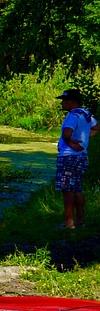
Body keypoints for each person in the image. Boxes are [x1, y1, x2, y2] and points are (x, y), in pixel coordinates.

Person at [56, 88, 98, 229]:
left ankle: (69, 222)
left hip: (68, 156)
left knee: (67, 189)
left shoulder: (73, 116)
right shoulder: (86, 114)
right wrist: (85, 139)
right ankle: (80, 220)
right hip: (81, 156)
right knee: (77, 188)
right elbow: (97, 127)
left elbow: (67, 133)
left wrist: (71, 143)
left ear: (72, 102)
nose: (62, 103)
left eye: (64, 100)